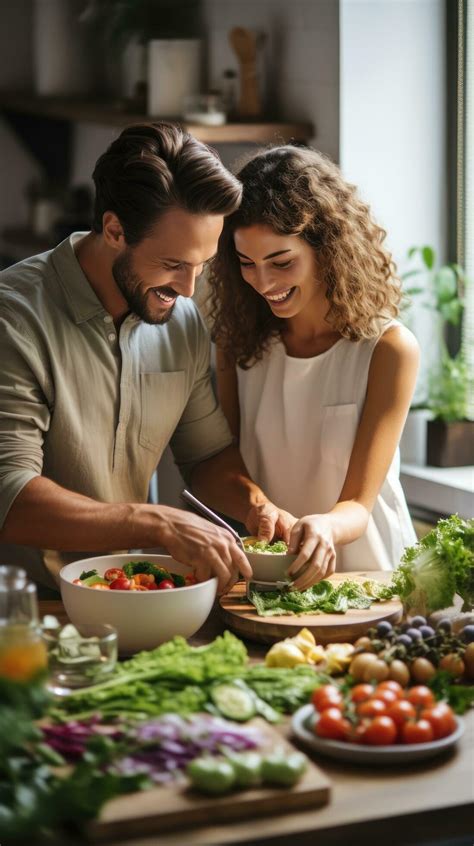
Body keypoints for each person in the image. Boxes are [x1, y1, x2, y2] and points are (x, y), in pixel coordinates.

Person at [0, 123, 294, 595]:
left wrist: (256, 503)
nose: (189, 288)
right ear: (114, 230)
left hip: (137, 599)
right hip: (26, 612)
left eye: (202, 265)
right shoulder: (12, 319)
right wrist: (154, 523)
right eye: (174, 264)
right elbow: (9, 496)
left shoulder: (182, 320)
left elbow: (206, 455)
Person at [208, 145, 420, 591]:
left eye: (282, 262)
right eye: (247, 263)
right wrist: (259, 507)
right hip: (274, 580)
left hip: (372, 580)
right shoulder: (239, 345)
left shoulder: (388, 349)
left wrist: (324, 526)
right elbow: (225, 464)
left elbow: (359, 506)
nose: (263, 283)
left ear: (328, 247)